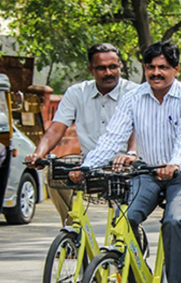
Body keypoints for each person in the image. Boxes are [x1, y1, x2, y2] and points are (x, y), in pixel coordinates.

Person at [74, 41, 181, 283]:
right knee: (126, 218)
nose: (156, 73)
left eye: (163, 68)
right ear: (144, 69)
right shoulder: (134, 98)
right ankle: (138, 279)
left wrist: (175, 162)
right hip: (147, 171)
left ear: (175, 70)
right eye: (150, 67)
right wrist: (87, 166)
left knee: (173, 222)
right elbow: (113, 137)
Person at [25, 43, 138, 225]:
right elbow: (56, 128)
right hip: (89, 162)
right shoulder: (77, 93)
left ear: (120, 67)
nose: (108, 72)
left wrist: (131, 153)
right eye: (101, 68)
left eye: (113, 67)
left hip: (123, 165)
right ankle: (73, 232)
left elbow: (138, 129)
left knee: (124, 222)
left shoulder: (134, 92)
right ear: (91, 70)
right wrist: (39, 153)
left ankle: (130, 239)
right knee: (54, 173)